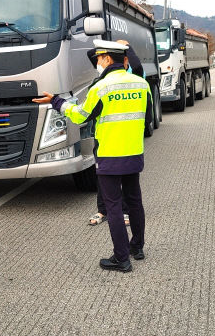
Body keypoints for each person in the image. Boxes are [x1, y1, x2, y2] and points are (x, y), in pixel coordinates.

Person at [33, 40, 151, 272]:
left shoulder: (101, 88)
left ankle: (121, 259)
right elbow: (146, 119)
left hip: (109, 154)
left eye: (98, 58)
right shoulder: (142, 84)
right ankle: (136, 248)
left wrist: (56, 101)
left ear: (107, 60)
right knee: (134, 201)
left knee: (114, 206)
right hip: (134, 152)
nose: (97, 62)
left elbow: (80, 116)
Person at [89, 39, 145, 227]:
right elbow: (93, 55)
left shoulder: (135, 75)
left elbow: (136, 64)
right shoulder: (102, 80)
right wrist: (107, 48)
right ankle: (102, 209)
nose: (98, 62)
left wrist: (128, 47)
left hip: (125, 139)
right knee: (102, 176)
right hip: (104, 138)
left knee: (126, 181)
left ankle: (125, 211)